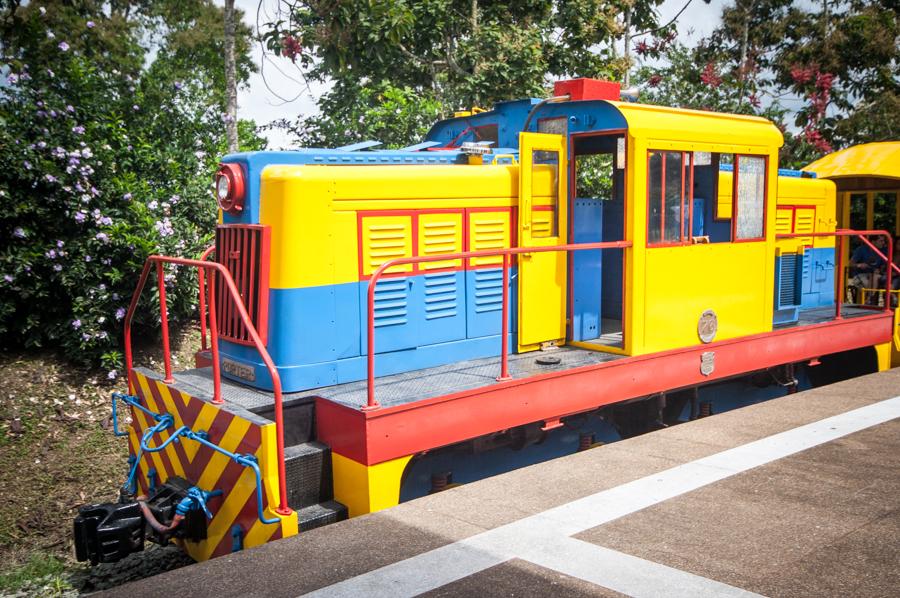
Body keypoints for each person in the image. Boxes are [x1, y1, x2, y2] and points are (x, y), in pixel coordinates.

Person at [848, 236, 888, 305]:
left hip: (874, 275)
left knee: (877, 280)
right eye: (880, 241)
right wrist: (859, 265)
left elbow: (883, 265)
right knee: (868, 284)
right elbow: (850, 264)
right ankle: (869, 302)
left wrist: (879, 270)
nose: (883, 243)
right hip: (860, 274)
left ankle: (869, 300)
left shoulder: (882, 251)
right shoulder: (861, 249)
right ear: (873, 242)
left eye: (883, 241)